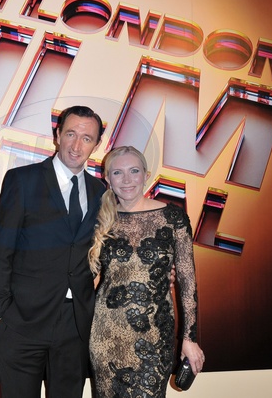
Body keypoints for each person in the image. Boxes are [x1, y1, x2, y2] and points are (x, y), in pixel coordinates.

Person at [0, 105, 106, 398]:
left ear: (97, 144)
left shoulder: (100, 191)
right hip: (22, 319)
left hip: (75, 322)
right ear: (57, 134)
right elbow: (1, 249)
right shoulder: (23, 180)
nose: (76, 146)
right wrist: (1, 312)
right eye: (71, 134)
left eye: (86, 138)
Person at [88, 146, 205, 398]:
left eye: (134, 171)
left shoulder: (172, 217)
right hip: (105, 334)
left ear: (146, 175)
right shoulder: (100, 220)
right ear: (108, 179)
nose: (126, 180)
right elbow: (85, 276)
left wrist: (189, 338)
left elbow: (187, 282)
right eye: (117, 173)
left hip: (154, 334)